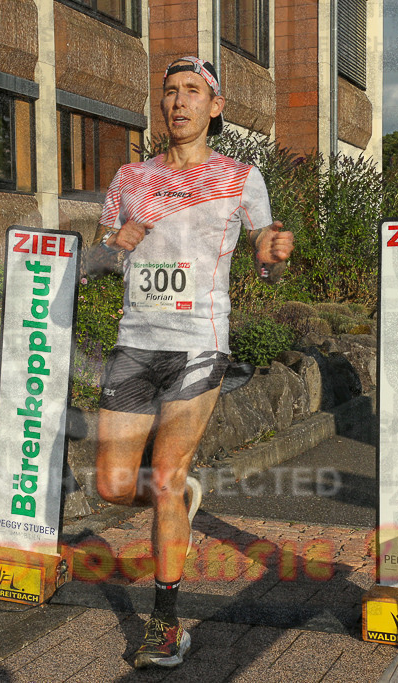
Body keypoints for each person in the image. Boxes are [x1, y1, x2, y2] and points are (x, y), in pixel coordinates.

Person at [86, 56, 293, 669]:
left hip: (199, 344)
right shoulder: (130, 178)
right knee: (113, 486)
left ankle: (166, 623)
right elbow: (98, 260)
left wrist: (274, 256)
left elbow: (266, 258)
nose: (179, 102)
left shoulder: (240, 177)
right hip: (135, 343)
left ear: (215, 106)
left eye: (193, 92)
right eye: (171, 91)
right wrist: (113, 244)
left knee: (166, 473)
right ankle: (175, 500)